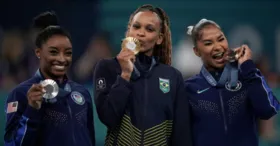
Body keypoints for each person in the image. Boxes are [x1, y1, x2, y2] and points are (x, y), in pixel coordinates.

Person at [93, 4, 192, 146]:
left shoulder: (172, 76)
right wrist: (125, 74)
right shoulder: (107, 67)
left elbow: (182, 134)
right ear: (128, 32)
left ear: (159, 39)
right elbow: (108, 118)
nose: (141, 33)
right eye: (136, 27)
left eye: (149, 29)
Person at [185, 18, 280, 146]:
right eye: (208, 43)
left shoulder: (247, 78)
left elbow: (268, 110)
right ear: (196, 51)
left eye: (221, 39)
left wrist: (248, 67)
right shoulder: (189, 88)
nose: (218, 47)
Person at [4, 14, 95, 146]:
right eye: (54, 52)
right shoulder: (21, 94)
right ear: (39, 53)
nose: (62, 59)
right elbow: (12, 144)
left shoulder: (82, 93)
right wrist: (31, 110)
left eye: (67, 53)